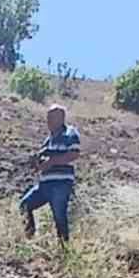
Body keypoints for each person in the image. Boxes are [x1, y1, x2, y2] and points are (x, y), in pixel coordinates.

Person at [20, 104, 81, 245]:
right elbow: (42, 161)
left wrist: (51, 162)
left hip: (60, 184)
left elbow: (74, 154)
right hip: (44, 184)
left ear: (61, 118)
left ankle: (64, 249)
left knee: (59, 217)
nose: (48, 121)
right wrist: (37, 163)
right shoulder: (48, 140)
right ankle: (29, 237)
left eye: (51, 118)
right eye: (48, 118)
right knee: (25, 205)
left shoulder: (70, 133)